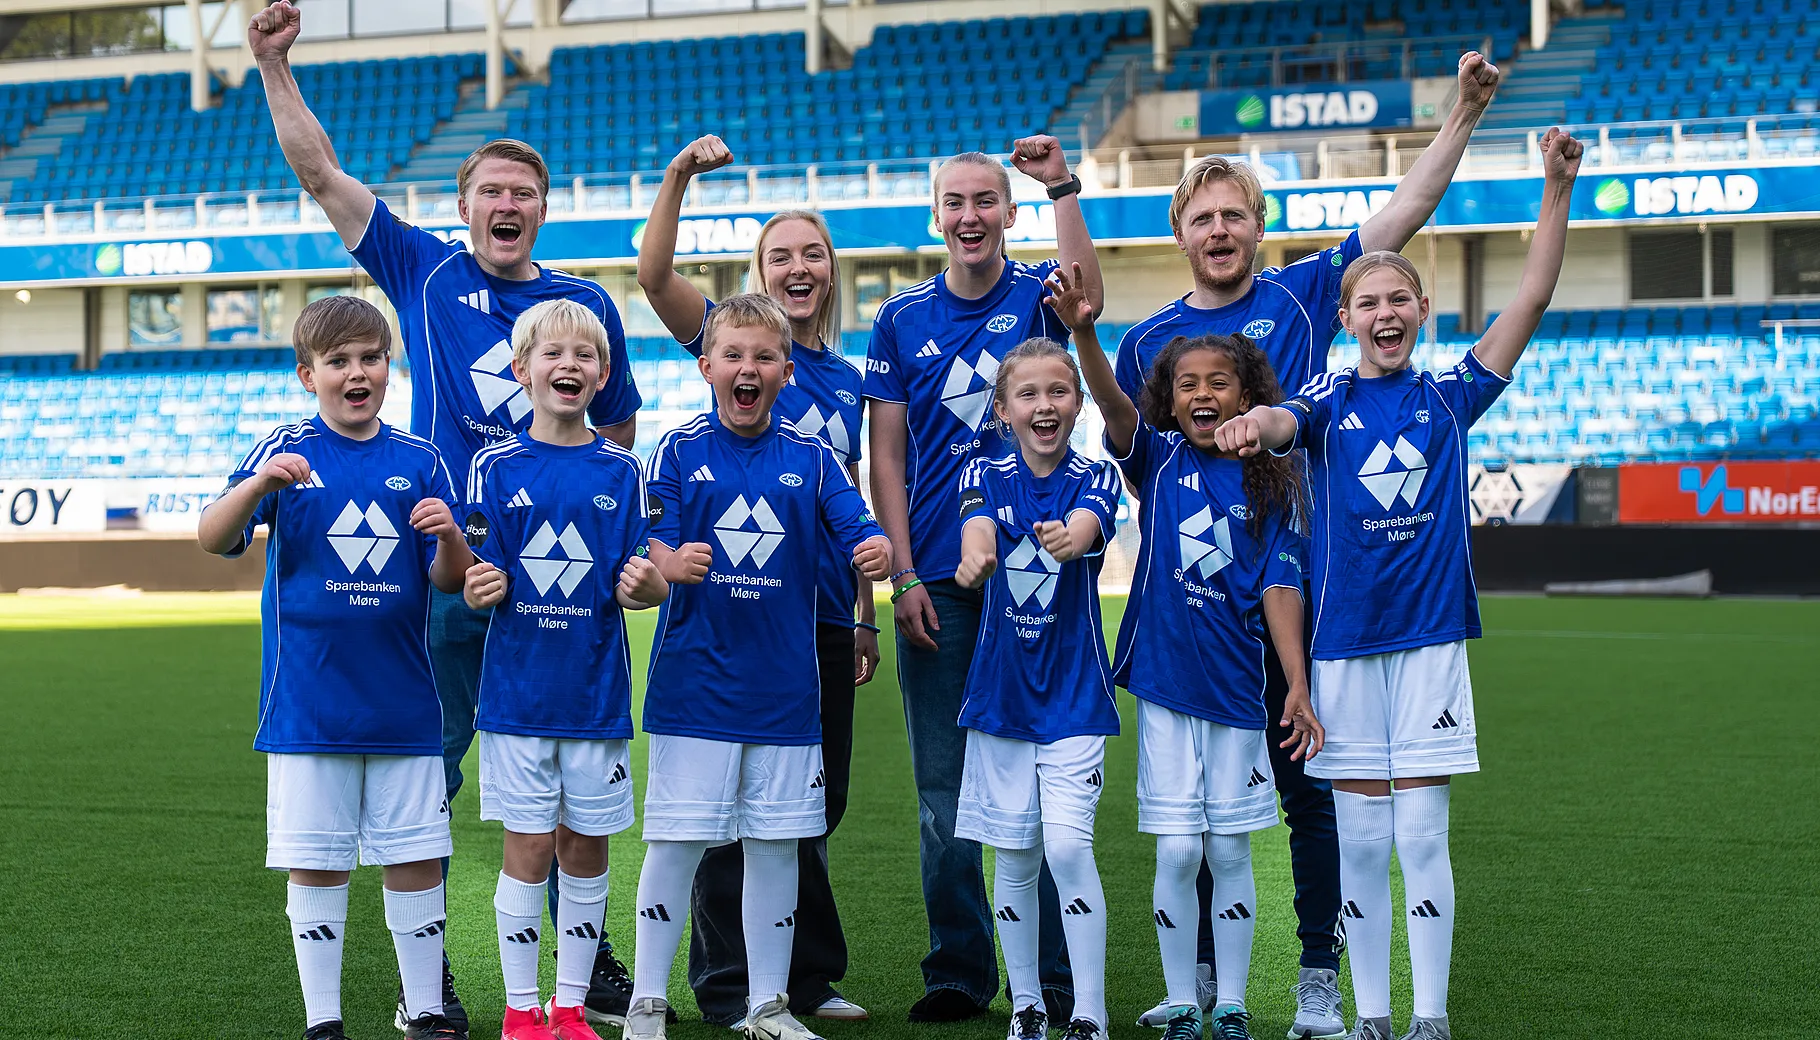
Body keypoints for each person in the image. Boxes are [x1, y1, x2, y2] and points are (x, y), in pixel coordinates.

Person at [250, 3, 644, 1028]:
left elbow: (622, 428)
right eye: (488, 192)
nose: (503, 205)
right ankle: (433, 980)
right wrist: (270, 64)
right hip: (444, 563)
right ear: (462, 206)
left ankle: (576, 967)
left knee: (563, 775)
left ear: (541, 209)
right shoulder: (424, 273)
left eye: (521, 192)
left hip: (551, 575)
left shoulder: (583, 307)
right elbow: (321, 177)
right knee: (432, 765)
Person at [1119, 52, 1504, 1040]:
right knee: (1201, 811)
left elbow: (1402, 214)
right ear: (1179, 231)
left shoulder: (1299, 294)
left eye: (1233, 214)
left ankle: (1321, 973)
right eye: (1200, 216)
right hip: (1198, 601)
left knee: (1311, 796)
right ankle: (1204, 974)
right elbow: (1139, 462)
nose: (1218, 230)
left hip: (1299, 588)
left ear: (1257, 225)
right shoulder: (1145, 340)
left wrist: (1460, 111)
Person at [1214, 129, 1583, 1040]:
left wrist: (1557, 187)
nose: (1383, 313)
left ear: (1420, 309)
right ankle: (1371, 1015)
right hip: (1341, 654)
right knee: (1366, 844)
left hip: (1428, 648)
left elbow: (1532, 296)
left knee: (1422, 838)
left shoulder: (1453, 394)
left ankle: (1431, 1018)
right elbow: (1277, 419)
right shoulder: (1328, 402)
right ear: (1345, 321)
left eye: (1397, 299)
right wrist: (1250, 425)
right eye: (1365, 301)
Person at [635, 135, 874, 1025]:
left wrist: (864, 615)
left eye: (813, 252)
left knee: (803, 814)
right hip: (720, 636)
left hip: (808, 623)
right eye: (782, 254)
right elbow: (656, 275)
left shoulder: (849, 384)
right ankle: (722, 986)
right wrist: (680, 177)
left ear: (830, 272)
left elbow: (855, 511)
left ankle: (796, 983)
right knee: (709, 823)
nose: (799, 265)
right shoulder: (726, 344)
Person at [864, 137, 1103, 1024]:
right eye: (954, 202)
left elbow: (1092, 296)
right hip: (938, 580)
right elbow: (885, 455)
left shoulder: (1040, 297)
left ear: (1007, 212)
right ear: (938, 216)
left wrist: (1062, 188)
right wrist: (903, 571)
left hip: (1034, 582)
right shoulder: (897, 320)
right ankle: (960, 968)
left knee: (1041, 792)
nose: (970, 216)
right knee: (944, 788)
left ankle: (1056, 978)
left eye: (985, 201)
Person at [196, 295, 474, 1040]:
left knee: (414, 856)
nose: (358, 373)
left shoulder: (421, 460)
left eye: (371, 358)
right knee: (317, 863)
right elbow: (212, 534)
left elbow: (450, 579)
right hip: (309, 705)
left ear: (390, 366)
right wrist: (257, 489)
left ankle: (423, 1012)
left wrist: (449, 535)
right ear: (307, 375)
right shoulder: (284, 448)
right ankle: (324, 1021)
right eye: (339, 362)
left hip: (406, 706)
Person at [1059, 257, 1323, 1040]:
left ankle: (1233, 1002)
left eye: (1219, 383)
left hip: (1241, 695)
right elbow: (1109, 403)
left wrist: (1297, 688)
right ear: (1169, 402)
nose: (1203, 394)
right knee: (1178, 848)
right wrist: (1084, 335)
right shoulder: (1160, 460)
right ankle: (1183, 1000)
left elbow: (1281, 589)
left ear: (1248, 396)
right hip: (1168, 689)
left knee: (1231, 851)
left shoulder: (1274, 479)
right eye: (1187, 385)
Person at [459, 300, 669, 1040]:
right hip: (517, 701)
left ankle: (572, 1007)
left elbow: (642, 575)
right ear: (520, 372)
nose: (569, 366)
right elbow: (478, 571)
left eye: (585, 356)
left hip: (595, 700)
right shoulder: (494, 466)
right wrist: (477, 583)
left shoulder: (623, 469)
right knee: (528, 849)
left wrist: (648, 587)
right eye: (552, 354)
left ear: (604, 373)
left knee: (585, 851)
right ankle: (522, 1010)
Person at [949, 338, 1123, 1040]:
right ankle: (1025, 1005)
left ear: (1077, 405)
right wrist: (975, 556)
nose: (1043, 405)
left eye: (1058, 392)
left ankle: (1088, 1009)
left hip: (1076, 698)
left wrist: (1071, 537)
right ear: (1003, 408)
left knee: (1069, 849)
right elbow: (975, 530)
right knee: (1014, 855)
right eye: (1027, 394)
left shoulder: (1095, 476)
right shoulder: (983, 472)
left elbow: (1087, 528)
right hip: (1001, 698)